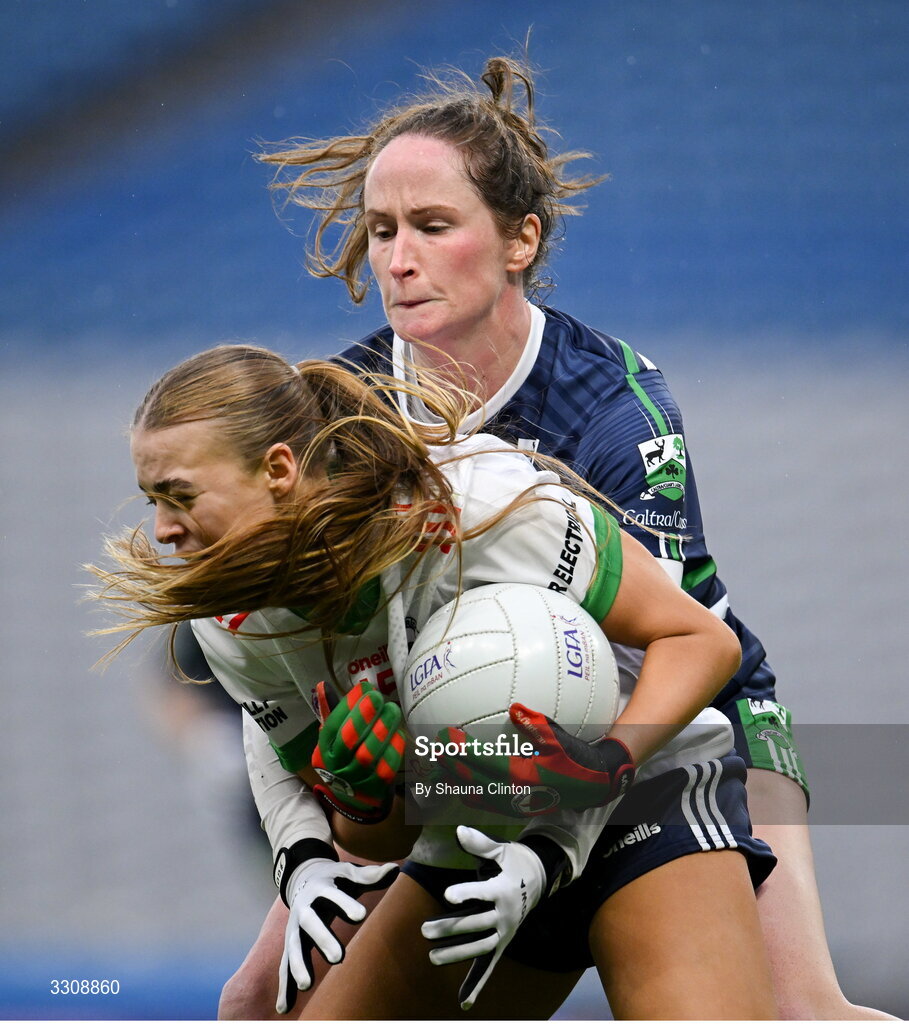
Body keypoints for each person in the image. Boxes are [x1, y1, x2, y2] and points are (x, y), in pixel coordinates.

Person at [217, 53, 896, 1021]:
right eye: (382, 230)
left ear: (520, 239)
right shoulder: (339, 416)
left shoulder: (611, 401)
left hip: (672, 721)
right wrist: (346, 802)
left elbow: (657, 647)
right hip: (470, 735)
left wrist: (474, 777)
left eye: (434, 226)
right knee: (251, 1003)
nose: (399, 257)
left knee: (803, 1011)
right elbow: (289, 657)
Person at [89, 342, 777, 1019]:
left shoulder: (476, 505)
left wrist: (606, 762)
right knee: (254, 1008)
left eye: (178, 496)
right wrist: (359, 807)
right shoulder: (232, 616)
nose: (162, 532)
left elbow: (698, 639)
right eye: (151, 499)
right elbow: (381, 841)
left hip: (642, 800)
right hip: (471, 825)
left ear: (278, 468)